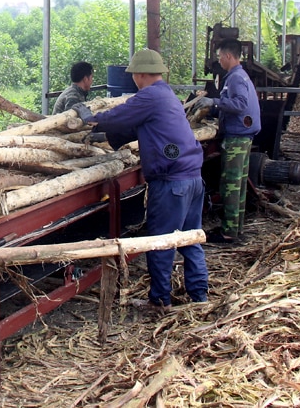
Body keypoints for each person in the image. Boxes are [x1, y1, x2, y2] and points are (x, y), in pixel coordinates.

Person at [72, 49, 208, 310]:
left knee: (160, 242)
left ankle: (159, 301)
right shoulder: (167, 94)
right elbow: (140, 126)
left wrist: (92, 120)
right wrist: (111, 138)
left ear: (141, 74)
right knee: (190, 239)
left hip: (172, 183)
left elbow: (120, 115)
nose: (133, 78)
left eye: (134, 74)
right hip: (192, 178)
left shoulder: (149, 95)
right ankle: (200, 297)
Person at [196, 38, 261, 244]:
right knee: (239, 183)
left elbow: (240, 104)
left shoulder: (234, 78)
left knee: (231, 185)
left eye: (219, 57)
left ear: (228, 56)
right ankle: (234, 227)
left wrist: (214, 101)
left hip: (237, 137)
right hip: (243, 135)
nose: (219, 62)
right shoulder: (240, 76)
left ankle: (228, 233)